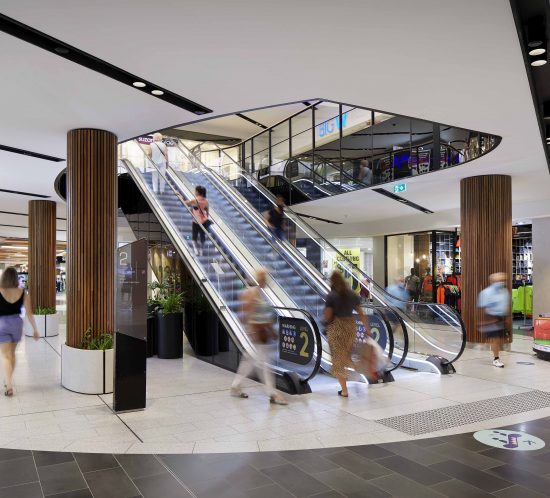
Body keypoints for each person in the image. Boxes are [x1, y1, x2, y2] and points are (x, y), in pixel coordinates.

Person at [231, 269, 287, 405]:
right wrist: (253, 330)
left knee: (250, 361)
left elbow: (260, 314)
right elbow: (245, 314)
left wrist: (269, 329)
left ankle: (236, 385)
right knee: (264, 365)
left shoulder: (260, 293)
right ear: (258, 279)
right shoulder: (251, 293)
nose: (265, 280)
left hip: (261, 333)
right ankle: (272, 393)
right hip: (258, 333)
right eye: (263, 278)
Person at [324, 271, 371, 397]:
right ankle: (359, 369)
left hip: (336, 327)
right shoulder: (352, 294)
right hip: (350, 326)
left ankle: (344, 390)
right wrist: (367, 329)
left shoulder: (331, 296)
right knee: (347, 356)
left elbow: (328, 316)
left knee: (338, 360)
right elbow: (361, 313)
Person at [0, 267, 39, 396]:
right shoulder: (22, 292)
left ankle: (9, 385)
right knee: (12, 354)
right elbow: (29, 313)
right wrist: (35, 329)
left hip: (2, 324)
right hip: (16, 324)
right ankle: (8, 381)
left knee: (5, 356)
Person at [478, 272, 510, 368]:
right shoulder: (486, 292)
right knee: (495, 339)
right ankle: (496, 359)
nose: (502, 282)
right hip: (491, 317)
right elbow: (482, 308)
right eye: (499, 280)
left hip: (502, 318)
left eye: (503, 280)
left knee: (500, 340)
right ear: (493, 281)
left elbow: (507, 305)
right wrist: (486, 321)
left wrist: (508, 317)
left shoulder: (505, 292)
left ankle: (490, 344)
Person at [184, 186, 209, 256]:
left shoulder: (195, 200)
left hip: (196, 221)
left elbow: (186, 202)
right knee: (202, 237)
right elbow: (207, 211)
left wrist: (179, 195)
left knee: (194, 237)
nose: (195, 192)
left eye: (195, 191)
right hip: (204, 221)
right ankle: (201, 251)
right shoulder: (206, 201)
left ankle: (196, 251)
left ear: (198, 192)